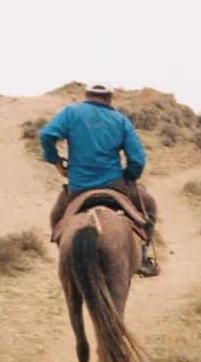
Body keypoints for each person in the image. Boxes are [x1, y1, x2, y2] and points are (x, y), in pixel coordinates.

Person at [39, 82, 160, 275]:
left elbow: (46, 135)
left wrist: (57, 163)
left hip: (78, 187)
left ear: (87, 94)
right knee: (150, 207)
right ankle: (143, 258)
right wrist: (129, 176)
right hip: (115, 185)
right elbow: (137, 159)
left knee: (56, 218)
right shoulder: (120, 120)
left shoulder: (70, 113)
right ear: (109, 97)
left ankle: (67, 256)